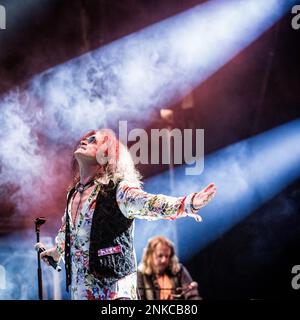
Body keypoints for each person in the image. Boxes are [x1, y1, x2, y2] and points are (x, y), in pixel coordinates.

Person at [39, 128, 216, 300]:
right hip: (82, 292)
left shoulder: (117, 189)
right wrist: (57, 252)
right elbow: (69, 231)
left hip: (114, 292)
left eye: (94, 140)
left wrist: (188, 204)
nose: (85, 141)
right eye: (86, 138)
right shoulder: (73, 194)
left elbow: (150, 203)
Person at [137, 236, 201, 300]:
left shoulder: (179, 270)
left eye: (167, 256)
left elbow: (193, 296)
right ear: (149, 255)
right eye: (160, 256)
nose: (164, 260)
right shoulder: (140, 274)